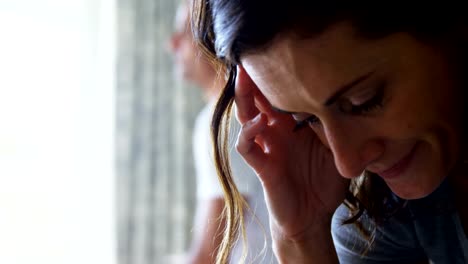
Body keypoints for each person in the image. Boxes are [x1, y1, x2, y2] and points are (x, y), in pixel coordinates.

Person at [191, 1, 468, 263]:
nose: (346, 164)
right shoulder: (385, 206)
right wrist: (303, 238)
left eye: (365, 101)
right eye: (306, 119)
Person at [168, 2, 275, 263]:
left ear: (215, 38)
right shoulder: (238, 110)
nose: (172, 43)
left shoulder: (223, 120)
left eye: (185, 31)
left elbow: (208, 256)